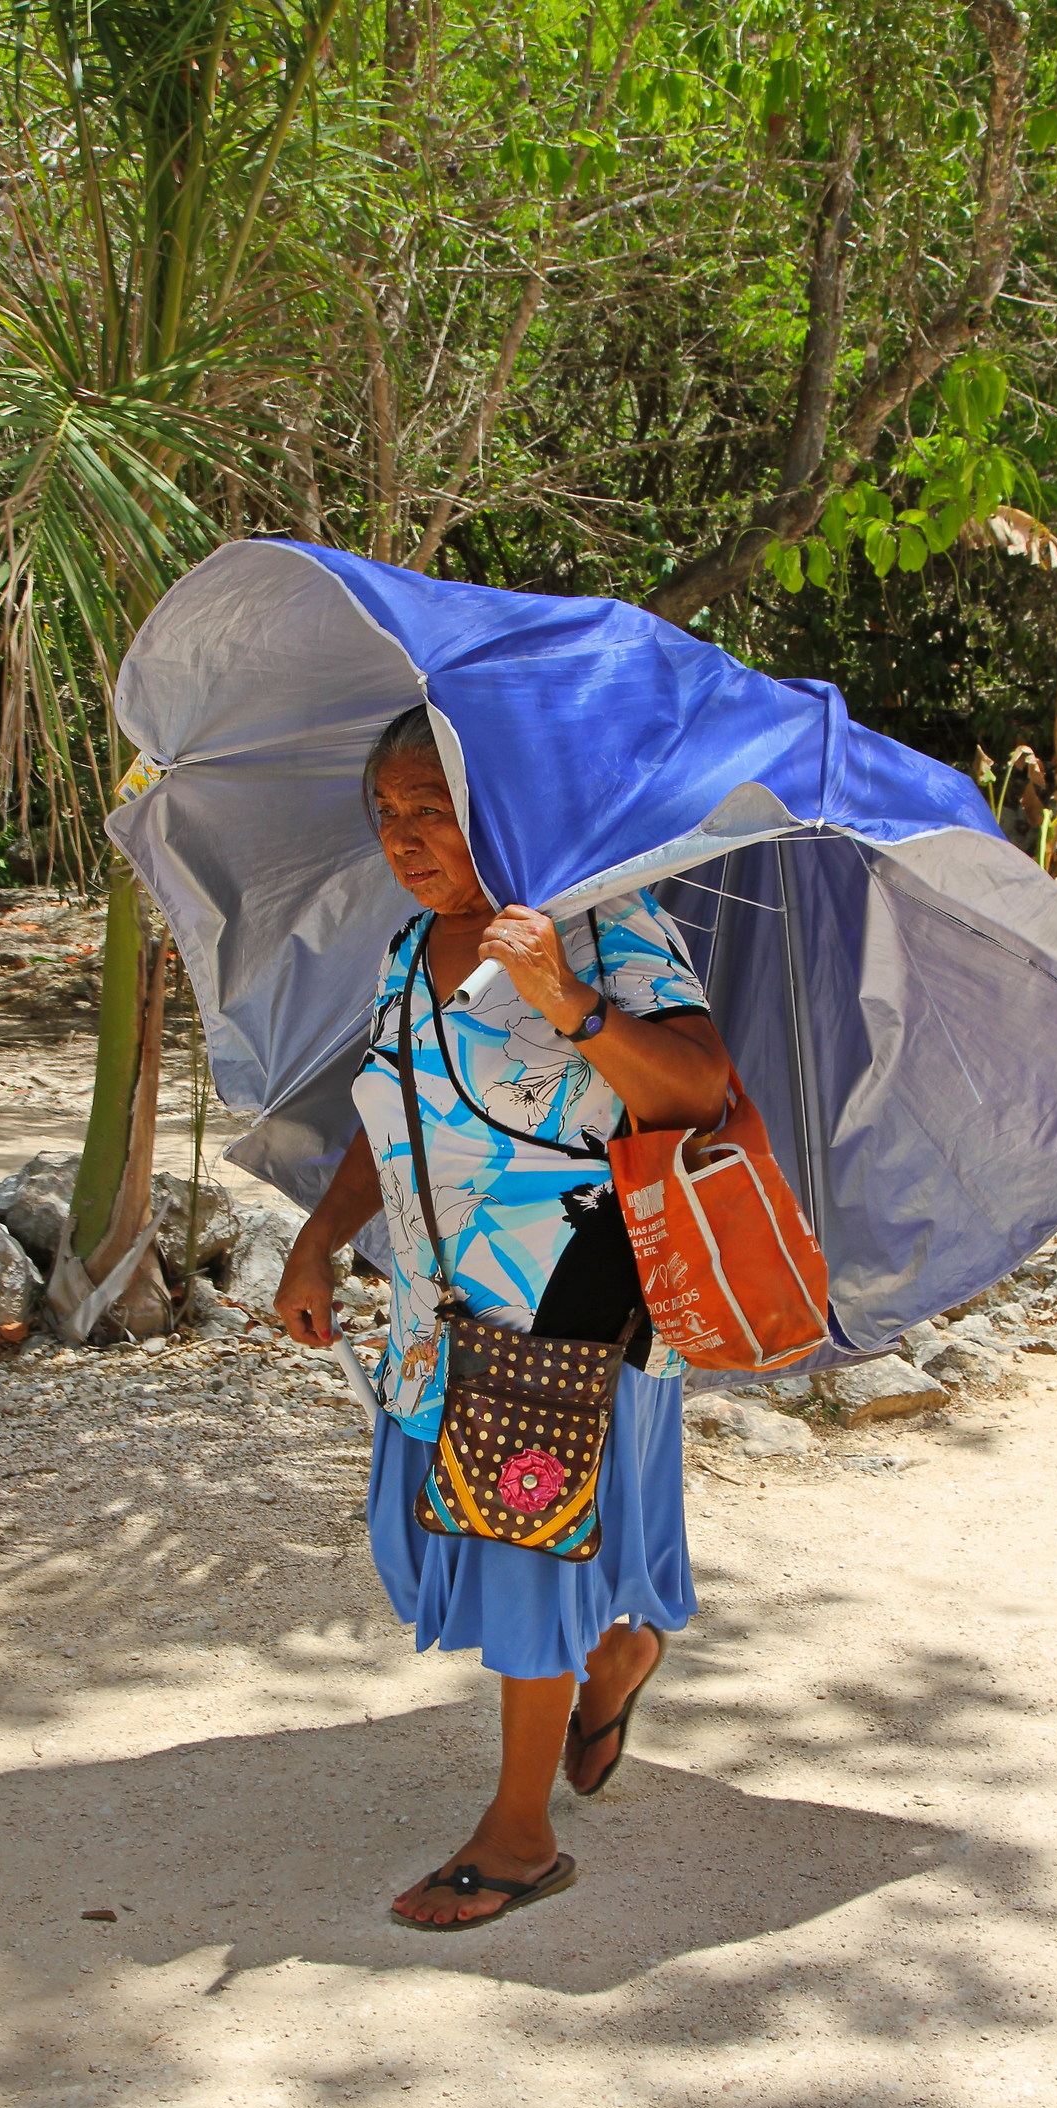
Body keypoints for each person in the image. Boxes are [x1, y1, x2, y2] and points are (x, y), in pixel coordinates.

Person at [275, 705, 730, 1930]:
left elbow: (695, 1086)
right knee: (478, 1533)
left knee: (525, 1544)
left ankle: (520, 1834)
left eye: (433, 809)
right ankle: (613, 1657)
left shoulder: (604, 925)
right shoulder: (405, 949)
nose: (405, 837)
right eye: (387, 815)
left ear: (503, 813)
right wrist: (318, 1244)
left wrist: (566, 997)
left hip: (574, 1301)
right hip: (439, 1312)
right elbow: (394, 1122)